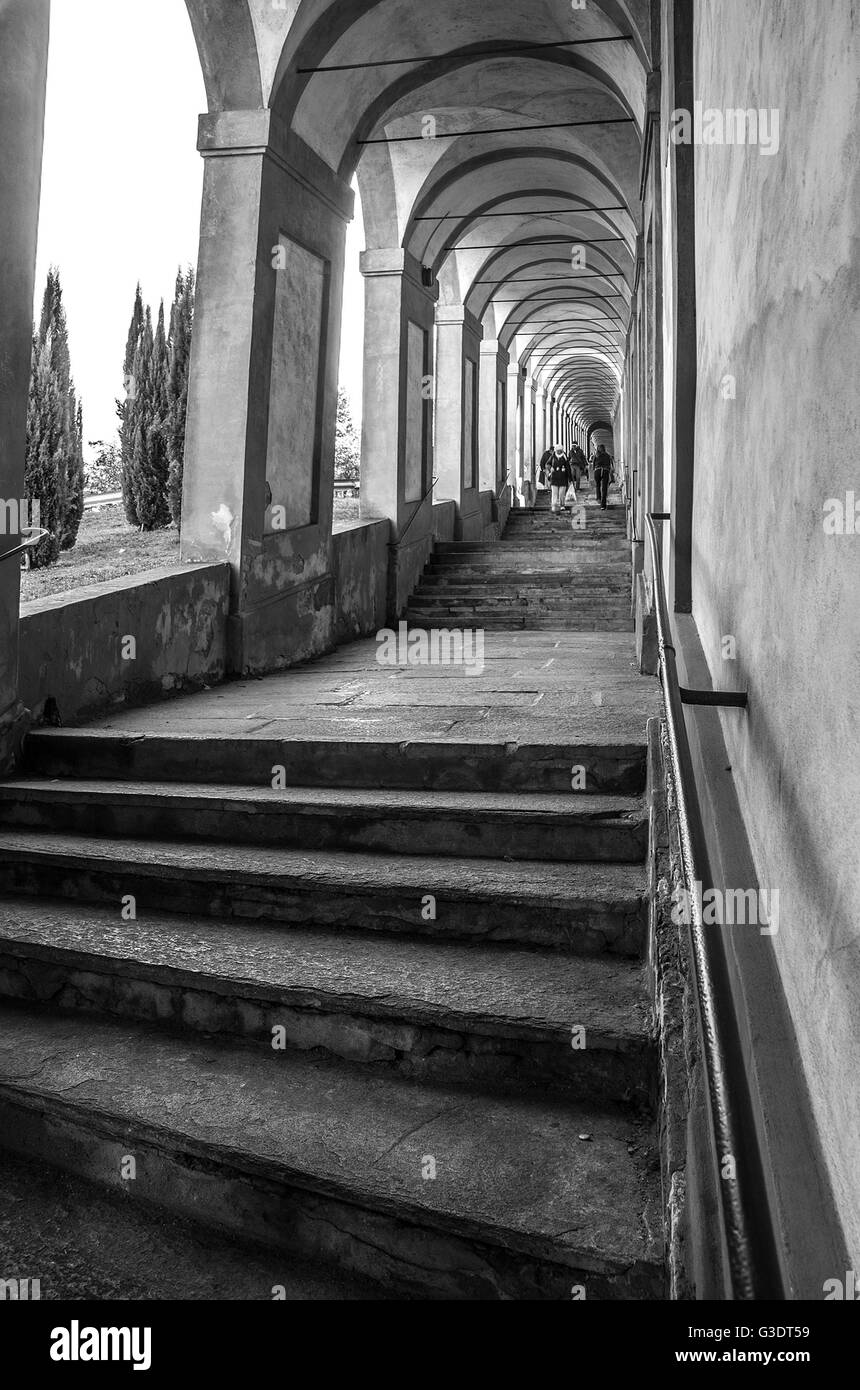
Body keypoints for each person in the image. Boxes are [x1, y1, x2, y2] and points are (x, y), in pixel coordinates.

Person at [548, 445, 573, 514]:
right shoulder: (553, 456)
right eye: (557, 450)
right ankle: (554, 506)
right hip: (554, 478)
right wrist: (550, 469)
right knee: (554, 493)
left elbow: (568, 468)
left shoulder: (564, 457)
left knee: (561, 493)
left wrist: (570, 479)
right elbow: (548, 464)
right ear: (556, 450)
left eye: (560, 450)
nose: (559, 452)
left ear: (562, 450)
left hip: (563, 478)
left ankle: (562, 505)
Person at [592, 443, 615, 510]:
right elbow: (610, 465)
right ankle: (603, 505)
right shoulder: (608, 455)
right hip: (605, 471)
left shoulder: (595, 456)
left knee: (597, 485)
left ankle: (598, 498)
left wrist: (595, 471)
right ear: (604, 449)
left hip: (597, 471)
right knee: (604, 488)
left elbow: (593, 465)